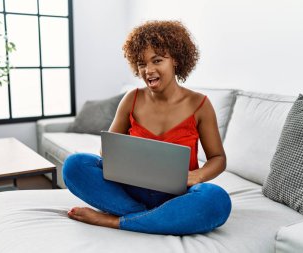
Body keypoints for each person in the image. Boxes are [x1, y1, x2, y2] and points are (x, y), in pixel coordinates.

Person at [62, 20, 231, 235]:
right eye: (142, 64)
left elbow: (218, 158)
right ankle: (152, 217)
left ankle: (116, 221)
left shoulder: (200, 105)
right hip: (130, 191)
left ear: (176, 61)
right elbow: (107, 150)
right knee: (74, 165)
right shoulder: (131, 99)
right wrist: (119, 156)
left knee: (216, 200)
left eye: (157, 60)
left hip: (178, 196)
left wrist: (197, 176)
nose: (148, 70)